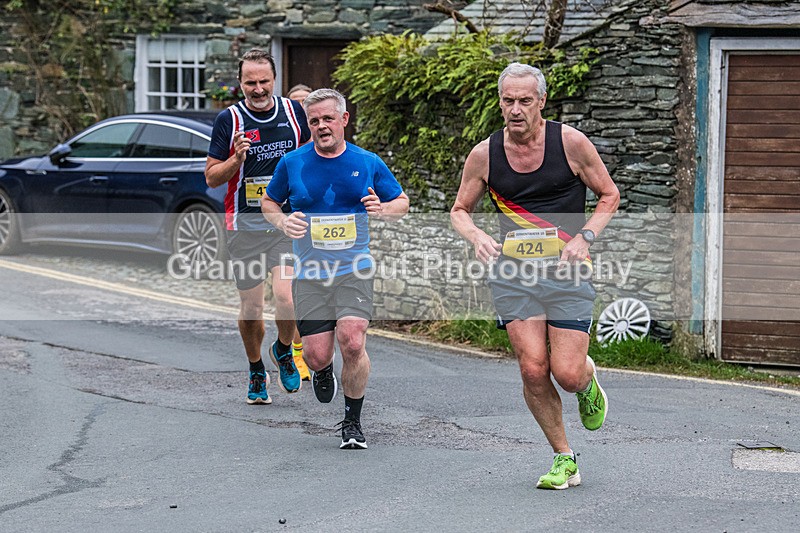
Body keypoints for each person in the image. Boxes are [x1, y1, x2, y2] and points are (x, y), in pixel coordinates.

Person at [450, 62, 620, 489]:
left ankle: (586, 380)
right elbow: (459, 210)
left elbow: (609, 194)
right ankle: (565, 458)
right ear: (500, 102)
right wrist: (475, 236)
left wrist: (584, 237)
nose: (516, 109)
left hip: (566, 272)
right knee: (531, 369)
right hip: (513, 275)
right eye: (508, 101)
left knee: (566, 372)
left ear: (541, 101)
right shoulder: (484, 154)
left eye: (525, 100)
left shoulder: (571, 143)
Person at [262, 88, 409, 449]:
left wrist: (382, 210)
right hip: (310, 274)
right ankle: (323, 368)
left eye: (328, 118)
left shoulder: (367, 161)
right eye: (314, 121)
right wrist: (282, 223)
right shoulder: (292, 163)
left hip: (353, 270)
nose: (322, 126)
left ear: (344, 119)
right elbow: (269, 202)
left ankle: (353, 423)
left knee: (353, 339)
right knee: (315, 354)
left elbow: (401, 201)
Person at [205, 48, 311, 405]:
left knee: (287, 295)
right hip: (244, 226)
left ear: (274, 80)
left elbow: (313, 157)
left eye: (264, 81)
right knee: (251, 309)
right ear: (240, 83)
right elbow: (210, 177)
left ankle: (283, 350)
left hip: (286, 222)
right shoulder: (229, 120)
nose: (258, 88)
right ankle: (255, 368)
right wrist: (236, 158)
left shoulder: (295, 113)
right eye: (250, 82)